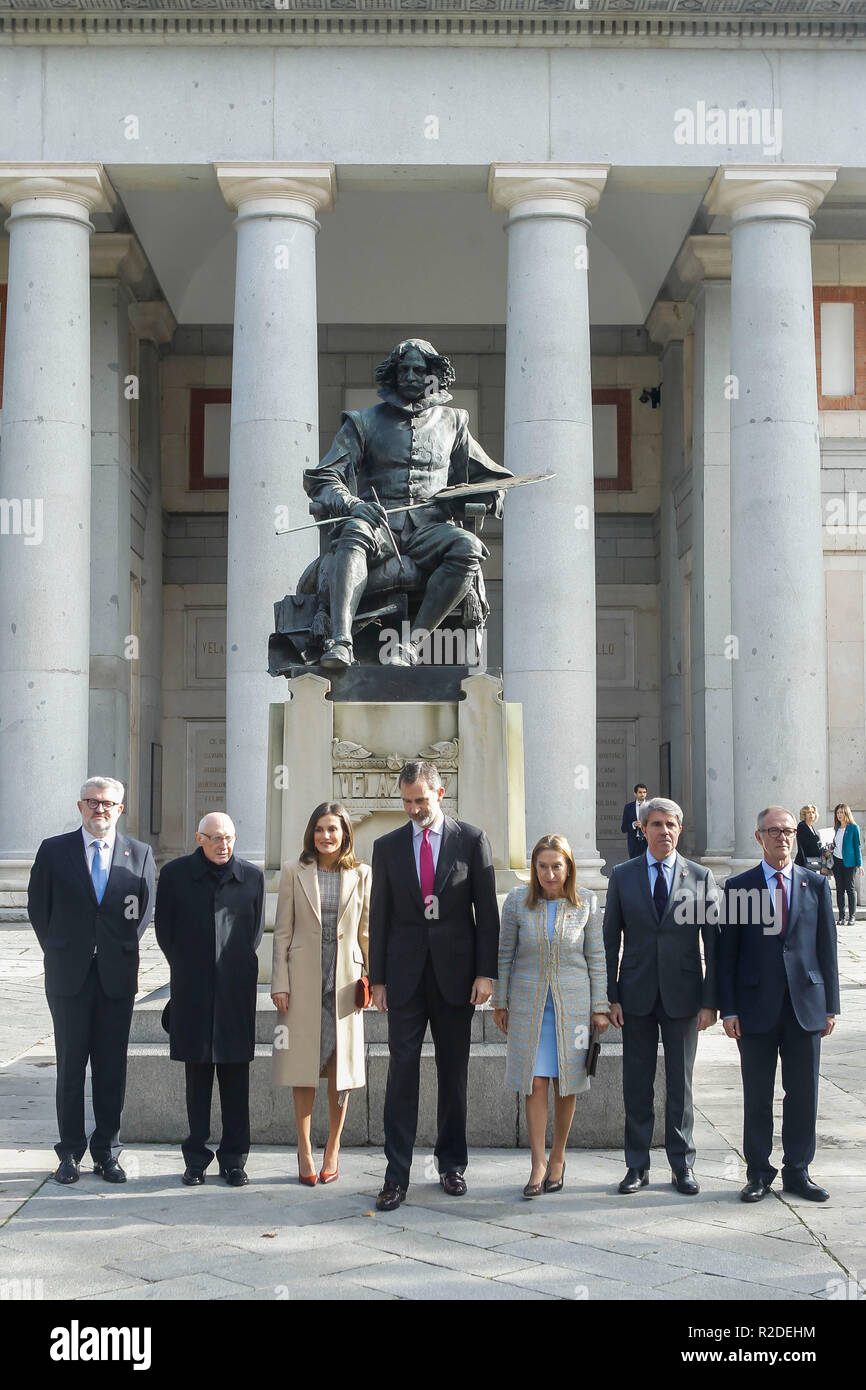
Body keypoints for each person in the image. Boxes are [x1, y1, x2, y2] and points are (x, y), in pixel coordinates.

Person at [303, 338, 513, 668]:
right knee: (354, 531)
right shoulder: (363, 422)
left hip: (430, 531)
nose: (412, 376)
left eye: (420, 370)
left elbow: (493, 482)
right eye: (404, 370)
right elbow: (324, 478)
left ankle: (412, 645)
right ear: (394, 374)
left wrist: (474, 496)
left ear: (433, 375)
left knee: (468, 547)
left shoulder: (454, 422)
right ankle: (341, 643)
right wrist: (352, 504)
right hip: (379, 525)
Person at [369, 759, 500, 1210]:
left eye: (420, 800)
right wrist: (378, 979)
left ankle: (452, 1165)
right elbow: (379, 916)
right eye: (406, 801)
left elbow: (487, 914)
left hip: (457, 977)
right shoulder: (386, 847)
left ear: (440, 794)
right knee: (401, 1071)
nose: (413, 809)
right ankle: (396, 1176)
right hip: (404, 979)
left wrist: (486, 973)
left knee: (453, 1071)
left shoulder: (472, 840)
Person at [27, 777, 155, 1185]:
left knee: (111, 1066)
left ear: (121, 809)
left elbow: (143, 909)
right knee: (70, 1065)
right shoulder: (54, 851)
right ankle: (69, 1153)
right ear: (80, 806)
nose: (100, 810)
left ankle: (107, 1151)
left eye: (108, 804)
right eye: (93, 802)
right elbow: (38, 908)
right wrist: (65, 948)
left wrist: (114, 948)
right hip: (69, 976)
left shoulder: (140, 853)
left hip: (116, 977)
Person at [719, 806, 839, 1203]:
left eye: (787, 831)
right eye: (773, 831)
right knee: (757, 1093)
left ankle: (798, 1171)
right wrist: (729, 1009)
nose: (782, 837)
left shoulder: (815, 885)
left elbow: (827, 950)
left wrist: (831, 1006)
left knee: (803, 1092)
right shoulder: (739, 887)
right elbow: (727, 955)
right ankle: (758, 1172)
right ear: (759, 837)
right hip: (755, 1006)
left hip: (805, 1004)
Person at [603, 796, 720, 1196]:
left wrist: (710, 1001)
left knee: (680, 1086)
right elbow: (608, 942)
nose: (664, 831)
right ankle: (636, 1166)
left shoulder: (700, 877)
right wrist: (610, 996)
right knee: (637, 1084)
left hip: (684, 997)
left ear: (679, 830)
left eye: (671, 825)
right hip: (634, 996)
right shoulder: (623, 875)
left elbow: (714, 944)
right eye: (656, 825)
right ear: (643, 829)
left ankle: (682, 1165)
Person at [493, 835, 610, 1198]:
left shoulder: (586, 903)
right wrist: (501, 1001)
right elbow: (505, 954)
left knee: (567, 1080)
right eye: (542, 866)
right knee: (535, 1081)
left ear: (569, 867)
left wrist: (600, 1006)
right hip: (529, 1002)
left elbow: (596, 958)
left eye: (556, 866)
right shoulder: (517, 902)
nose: (549, 873)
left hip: (572, 1003)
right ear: (534, 868)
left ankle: (558, 1156)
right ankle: (537, 1162)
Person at [154, 812, 264, 1187]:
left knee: (236, 1078)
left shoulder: (252, 877)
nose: (223, 845)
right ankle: (195, 1159)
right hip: (193, 991)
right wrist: (190, 966)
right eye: (215, 838)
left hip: (235, 993)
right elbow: (165, 932)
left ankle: (234, 1159)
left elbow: (252, 934)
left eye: (229, 838)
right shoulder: (174, 876)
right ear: (199, 839)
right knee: (196, 1078)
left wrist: (228, 966)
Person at [270, 802, 371, 1186]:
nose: (326, 836)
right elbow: (282, 931)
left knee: (340, 1069)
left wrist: (373, 981)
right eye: (319, 829)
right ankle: (304, 1146)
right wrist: (280, 981)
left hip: (344, 982)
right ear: (311, 833)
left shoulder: (362, 874)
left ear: (345, 832)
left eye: (333, 829)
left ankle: (333, 1145)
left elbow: (366, 932)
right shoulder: (295, 872)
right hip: (303, 981)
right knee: (303, 1066)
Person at [831, 802, 862, 926]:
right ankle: (842, 917)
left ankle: (852, 916)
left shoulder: (854, 828)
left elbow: (857, 846)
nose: (839, 815)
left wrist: (860, 864)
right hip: (837, 862)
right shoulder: (836, 829)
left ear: (846, 813)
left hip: (850, 863)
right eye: (837, 813)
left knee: (850, 889)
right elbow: (835, 845)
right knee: (840, 890)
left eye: (841, 812)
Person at [620, 784, 648, 860]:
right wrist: (633, 824)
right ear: (635, 793)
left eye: (644, 792)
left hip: (648, 841)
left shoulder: (651, 807)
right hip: (634, 843)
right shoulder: (628, 807)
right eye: (640, 792)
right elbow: (623, 828)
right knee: (635, 866)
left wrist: (644, 826)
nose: (642, 794)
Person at [795, 804, 824, 870]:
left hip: (812, 860)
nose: (811, 814)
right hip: (804, 861)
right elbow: (806, 843)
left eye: (813, 812)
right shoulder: (802, 825)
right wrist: (817, 838)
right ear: (804, 815)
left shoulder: (810, 826)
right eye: (808, 812)